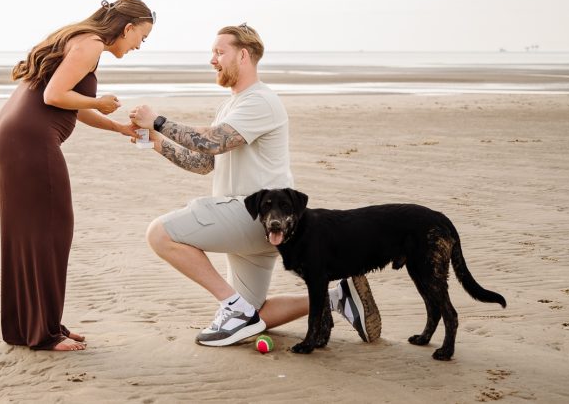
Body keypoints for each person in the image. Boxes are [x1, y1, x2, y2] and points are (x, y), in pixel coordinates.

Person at [129, 24, 381, 347]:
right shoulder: (231, 105)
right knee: (256, 312)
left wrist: (159, 121)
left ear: (244, 56)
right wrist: (154, 142)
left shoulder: (261, 101)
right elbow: (205, 162)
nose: (212, 60)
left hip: (253, 215)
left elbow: (211, 142)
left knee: (158, 234)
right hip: (254, 225)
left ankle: (233, 307)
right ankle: (337, 297)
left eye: (220, 53)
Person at [0, 0, 154, 351]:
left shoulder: (80, 40)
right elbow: (55, 95)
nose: (140, 45)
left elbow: (68, 102)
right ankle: (45, 333)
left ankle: (35, 326)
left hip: (13, 136)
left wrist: (117, 127)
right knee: (51, 234)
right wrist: (98, 100)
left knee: (30, 236)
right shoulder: (91, 44)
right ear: (126, 28)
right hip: (30, 142)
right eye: (141, 36)